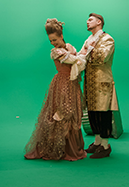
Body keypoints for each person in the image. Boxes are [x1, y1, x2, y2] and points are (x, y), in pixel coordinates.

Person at [24, 19, 87, 161]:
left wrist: (81, 57)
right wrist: (83, 54)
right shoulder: (56, 52)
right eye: (51, 41)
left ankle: (71, 148)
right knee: (63, 111)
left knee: (73, 113)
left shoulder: (69, 47)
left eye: (55, 40)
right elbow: (75, 60)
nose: (53, 43)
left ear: (61, 36)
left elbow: (78, 60)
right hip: (62, 84)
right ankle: (58, 148)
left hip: (73, 84)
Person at [79, 13, 119, 159]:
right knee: (92, 112)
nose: (87, 22)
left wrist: (88, 50)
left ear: (99, 22)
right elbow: (81, 56)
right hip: (90, 83)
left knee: (103, 113)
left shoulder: (108, 39)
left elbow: (101, 58)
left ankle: (105, 146)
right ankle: (97, 142)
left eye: (90, 20)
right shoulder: (89, 39)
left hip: (102, 82)